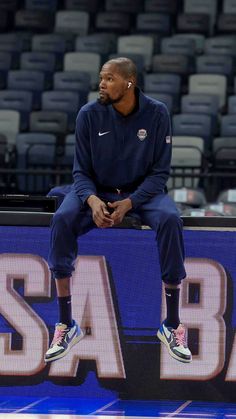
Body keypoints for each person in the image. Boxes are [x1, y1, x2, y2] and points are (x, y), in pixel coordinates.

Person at [45, 57, 192, 364]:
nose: (102, 84)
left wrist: (131, 202)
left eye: (109, 78)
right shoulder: (89, 114)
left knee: (170, 219)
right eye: (101, 78)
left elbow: (160, 174)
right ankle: (65, 323)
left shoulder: (157, 113)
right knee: (61, 218)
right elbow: (80, 172)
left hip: (141, 193)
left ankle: (173, 324)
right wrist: (92, 201)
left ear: (129, 83)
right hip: (96, 190)